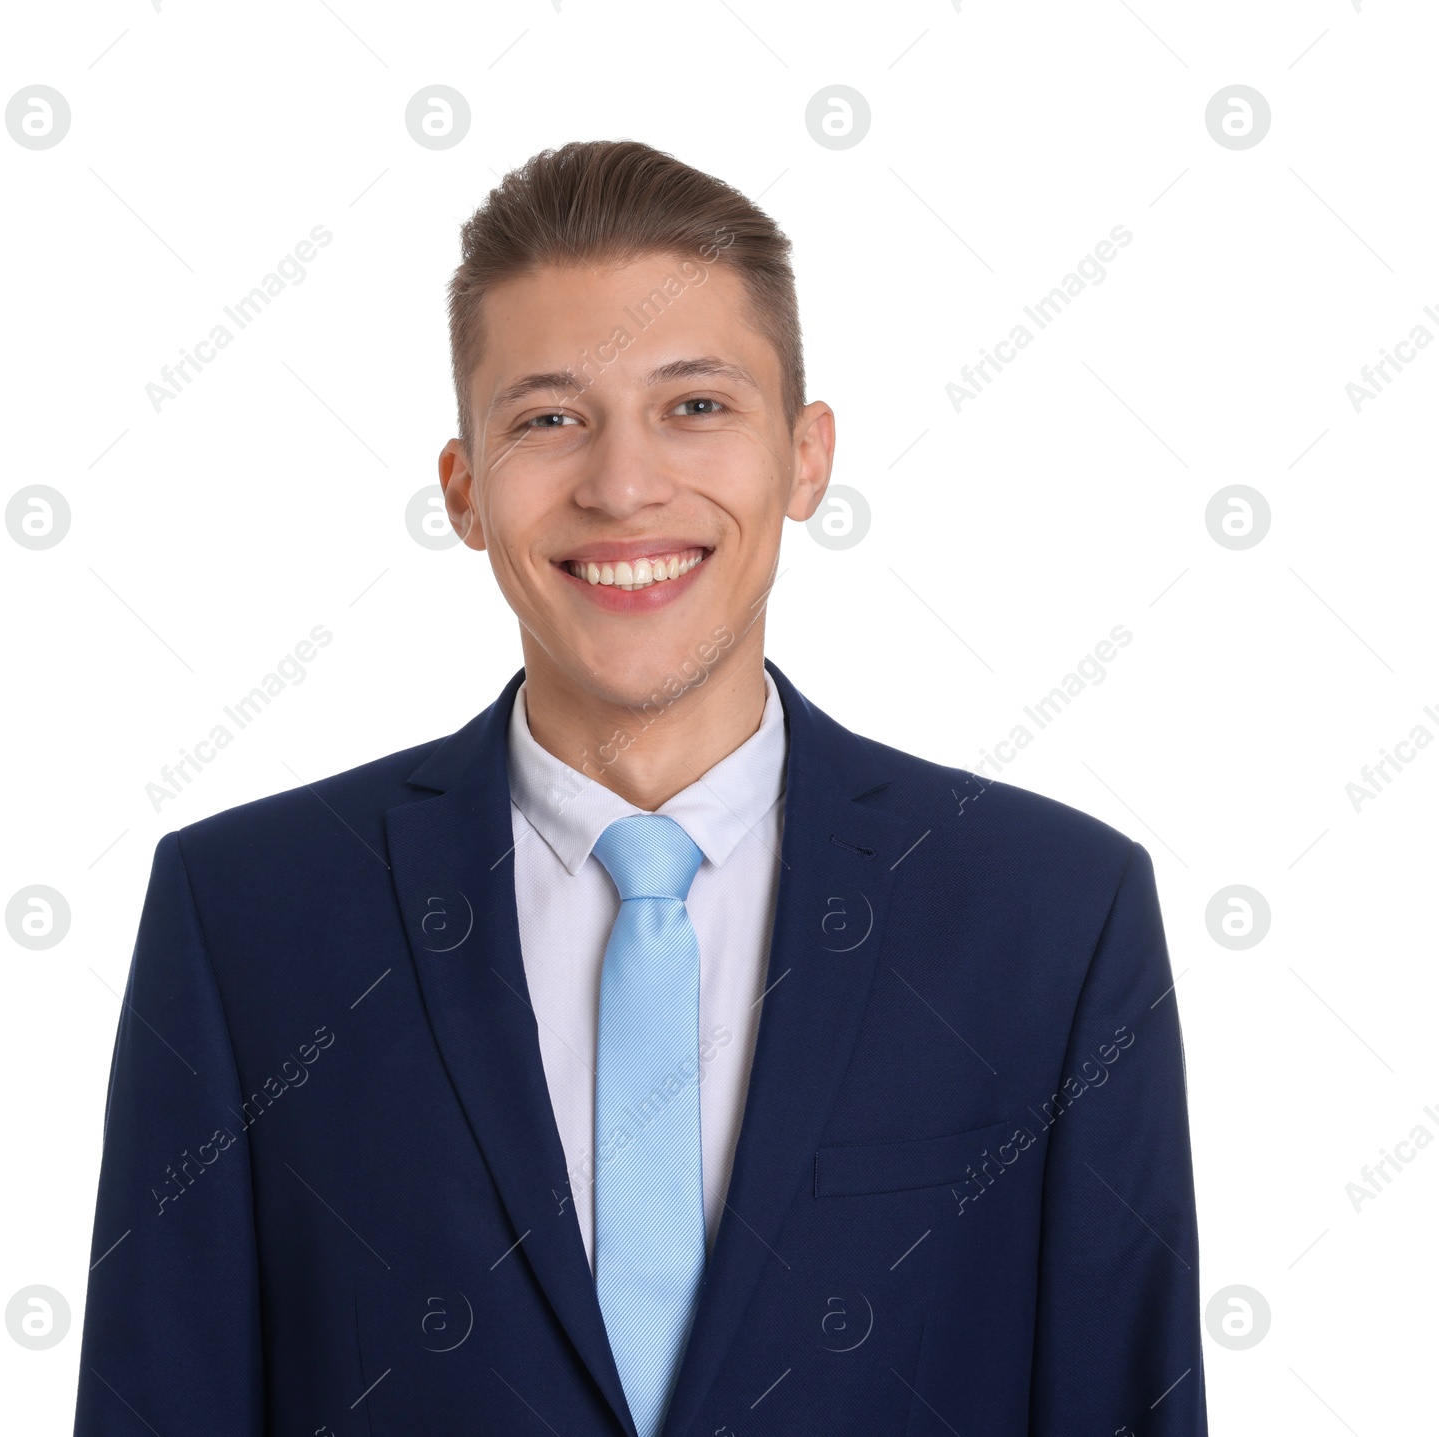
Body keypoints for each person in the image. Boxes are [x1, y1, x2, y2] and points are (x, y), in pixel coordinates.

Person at [72, 139, 1207, 1437]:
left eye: (696, 405)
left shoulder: (1052, 918)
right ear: (465, 489)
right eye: (550, 417)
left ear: (804, 456)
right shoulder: (247, 921)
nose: (621, 486)